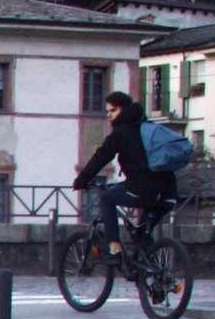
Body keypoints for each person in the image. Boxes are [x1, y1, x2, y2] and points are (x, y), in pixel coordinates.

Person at [73, 91, 174, 263]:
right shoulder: (147, 127)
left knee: (106, 197)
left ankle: (114, 247)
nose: (108, 115)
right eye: (107, 112)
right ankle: (153, 279)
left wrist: (81, 179)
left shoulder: (122, 132)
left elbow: (101, 157)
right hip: (169, 193)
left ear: (123, 110)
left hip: (143, 190)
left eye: (112, 111)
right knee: (142, 233)